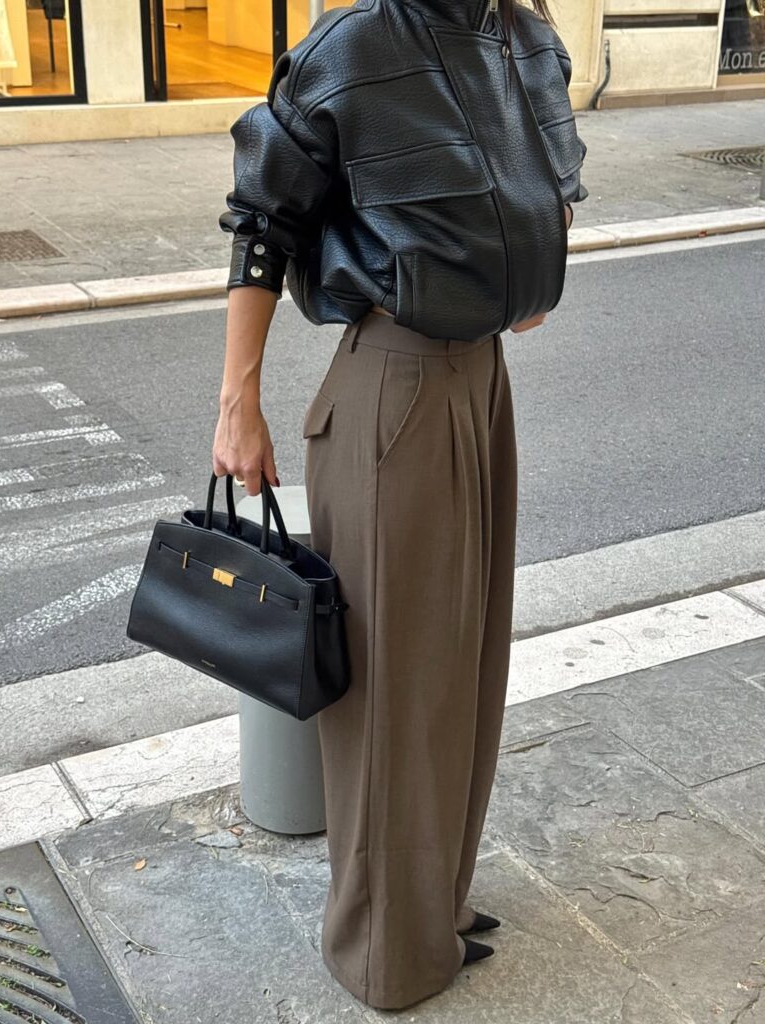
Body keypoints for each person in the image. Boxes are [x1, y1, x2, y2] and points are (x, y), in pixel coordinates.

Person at [213, 0, 588, 1009]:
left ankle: (434, 901)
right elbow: (262, 217)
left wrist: (528, 250)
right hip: (395, 381)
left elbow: (557, 176)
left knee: (466, 662)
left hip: (482, 376)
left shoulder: (523, 30)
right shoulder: (357, 42)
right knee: (391, 688)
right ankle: (383, 950)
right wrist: (237, 401)